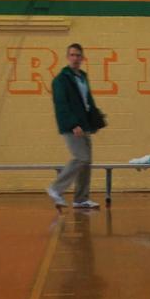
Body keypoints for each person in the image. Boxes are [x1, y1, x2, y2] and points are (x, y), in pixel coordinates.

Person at [47, 43, 104, 209]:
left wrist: (94, 122)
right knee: (81, 157)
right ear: (67, 57)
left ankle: (81, 199)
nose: (75, 58)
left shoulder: (83, 77)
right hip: (71, 126)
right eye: (72, 55)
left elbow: (87, 101)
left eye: (78, 55)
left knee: (87, 162)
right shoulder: (60, 80)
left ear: (82, 58)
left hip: (84, 125)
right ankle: (56, 188)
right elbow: (61, 104)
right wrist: (73, 124)